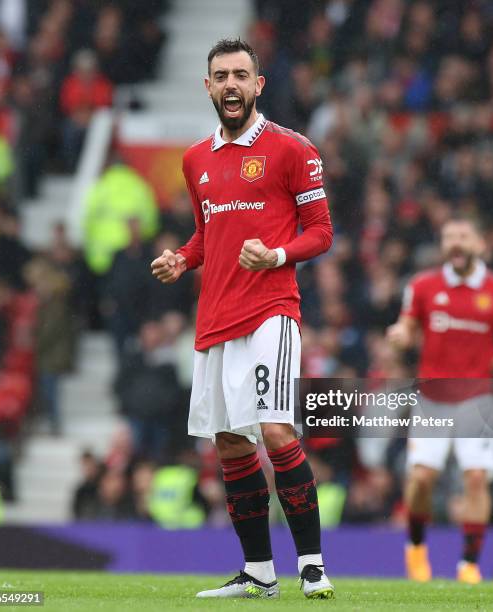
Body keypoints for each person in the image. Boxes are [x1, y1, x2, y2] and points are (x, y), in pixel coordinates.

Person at [151, 38, 334, 599]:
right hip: (215, 319)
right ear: (207, 86)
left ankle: (312, 566)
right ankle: (259, 573)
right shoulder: (195, 160)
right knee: (230, 442)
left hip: (270, 312)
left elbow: (322, 232)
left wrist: (277, 255)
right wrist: (182, 258)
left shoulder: (292, 148)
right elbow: (209, 235)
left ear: (259, 84)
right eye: (220, 75)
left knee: (276, 429)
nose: (230, 84)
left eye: (240, 75)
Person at [387, 217, 493, 584]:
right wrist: (400, 334)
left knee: (477, 478)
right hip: (432, 399)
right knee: (421, 478)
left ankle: (468, 564)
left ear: (479, 244)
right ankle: (416, 547)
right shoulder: (423, 285)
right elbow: (407, 325)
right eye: (449, 237)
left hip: (476, 401)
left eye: (463, 236)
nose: (455, 243)